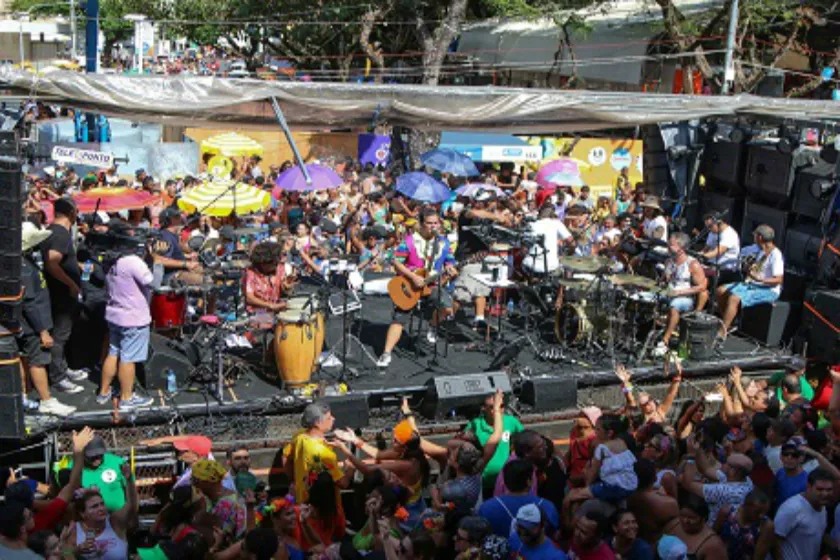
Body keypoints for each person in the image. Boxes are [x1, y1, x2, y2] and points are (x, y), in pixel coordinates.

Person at [376, 208, 458, 368]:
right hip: (409, 286)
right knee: (399, 318)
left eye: (436, 223)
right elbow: (396, 261)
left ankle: (433, 326)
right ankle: (386, 353)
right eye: (429, 223)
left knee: (449, 308)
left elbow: (450, 262)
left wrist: (451, 269)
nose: (433, 226)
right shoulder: (409, 241)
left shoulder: (443, 243)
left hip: (432, 285)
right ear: (421, 224)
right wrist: (413, 276)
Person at [18, 222, 75, 416]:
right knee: (38, 360)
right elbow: (30, 302)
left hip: (32, 323)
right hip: (34, 326)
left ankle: (25, 393)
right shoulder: (24, 268)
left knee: (27, 359)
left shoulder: (25, 262)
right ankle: (46, 400)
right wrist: (42, 331)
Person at [97, 223, 154, 411]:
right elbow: (151, 281)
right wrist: (152, 258)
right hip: (133, 318)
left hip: (114, 315)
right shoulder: (132, 261)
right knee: (128, 358)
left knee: (113, 353)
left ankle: (103, 392)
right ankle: (127, 398)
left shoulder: (110, 260)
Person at [40, 197, 88, 394]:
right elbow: (52, 261)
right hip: (60, 294)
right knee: (60, 335)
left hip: (60, 293)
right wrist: (70, 284)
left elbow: (62, 260)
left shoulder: (55, 231)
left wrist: (77, 267)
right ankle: (58, 377)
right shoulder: (60, 233)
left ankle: (63, 368)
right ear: (71, 212)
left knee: (63, 334)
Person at [453, 190, 509, 331]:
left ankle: (479, 319)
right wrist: (495, 216)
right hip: (468, 258)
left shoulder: (488, 217)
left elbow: (507, 223)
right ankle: (446, 317)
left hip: (483, 256)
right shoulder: (467, 212)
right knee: (462, 294)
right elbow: (474, 214)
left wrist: (503, 218)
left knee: (482, 290)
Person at [716, 224, 784, 338]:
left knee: (734, 297)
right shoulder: (759, 250)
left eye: (755, 235)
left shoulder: (776, 255)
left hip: (769, 289)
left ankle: (722, 331)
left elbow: (779, 279)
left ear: (760, 237)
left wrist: (760, 279)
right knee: (720, 290)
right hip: (752, 284)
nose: (754, 237)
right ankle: (730, 322)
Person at [61, 462, 137, 559]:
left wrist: (129, 480)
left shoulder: (114, 522)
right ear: (83, 514)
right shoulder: (75, 529)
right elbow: (65, 552)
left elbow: (132, 506)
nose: (101, 508)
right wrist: (77, 550)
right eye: (94, 506)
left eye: (102, 504)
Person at [283, 403, 353, 504]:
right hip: (325, 509)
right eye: (329, 418)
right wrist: (350, 469)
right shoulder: (325, 455)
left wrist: (294, 480)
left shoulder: (299, 436)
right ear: (318, 423)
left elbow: (285, 457)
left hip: (302, 504)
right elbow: (343, 483)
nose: (333, 419)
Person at [681, 435, 754, 527]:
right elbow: (707, 469)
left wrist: (691, 457)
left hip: (716, 529)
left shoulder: (726, 491)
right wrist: (698, 449)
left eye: (727, 464)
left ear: (733, 471)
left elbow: (688, 484)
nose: (723, 464)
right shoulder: (745, 480)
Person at [654, 232, 708, 356]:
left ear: (681, 248)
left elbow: (702, 286)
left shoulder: (692, 264)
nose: (667, 247)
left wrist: (679, 292)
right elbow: (664, 280)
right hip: (669, 292)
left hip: (685, 297)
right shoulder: (669, 261)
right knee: (647, 298)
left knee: (674, 306)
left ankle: (665, 340)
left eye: (670, 245)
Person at [478, 459, 560, 537]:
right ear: (528, 481)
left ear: (505, 482)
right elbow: (554, 536)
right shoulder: (547, 507)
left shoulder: (487, 508)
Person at [467, 392, 524, 496]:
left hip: (505, 483)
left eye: (501, 406)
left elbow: (524, 439)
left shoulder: (511, 422)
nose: (498, 410)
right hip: (483, 483)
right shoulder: (475, 425)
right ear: (483, 408)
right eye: (492, 407)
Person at [774, 468, 835, 560]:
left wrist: (836, 545)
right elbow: (773, 540)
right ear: (809, 486)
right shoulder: (792, 508)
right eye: (820, 489)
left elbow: (817, 532)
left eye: (829, 489)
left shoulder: (822, 506)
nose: (825, 493)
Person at [190, 459, 246, 544]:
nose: (193, 483)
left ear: (209, 482)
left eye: (196, 480)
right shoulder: (207, 496)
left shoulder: (226, 504)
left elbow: (217, 533)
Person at [626, 460, 679, 545]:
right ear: (655, 478)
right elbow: (677, 527)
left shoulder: (627, 498)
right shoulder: (668, 503)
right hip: (660, 546)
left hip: (635, 542)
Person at [662, 493, 727, 560]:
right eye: (682, 515)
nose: (685, 521)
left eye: (691, 518)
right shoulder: (673, 525)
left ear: (703, 518)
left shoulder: (714, 545)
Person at [715, 489, 775, 560]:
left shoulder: (765, 526)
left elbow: (758, 557)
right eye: (758, 512)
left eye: (764, 512)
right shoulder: (726, 513)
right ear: (746, 506)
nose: (761, 516)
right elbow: (714, 536)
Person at [152, 207, 203, 286]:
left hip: (180, 270)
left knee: (212, 273)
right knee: (205, 281)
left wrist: (189, 256)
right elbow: (159, 260)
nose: (180, 218)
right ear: (171, 220)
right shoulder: (163, 237)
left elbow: (174, 254)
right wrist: (185, 264)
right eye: (177, 216)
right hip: (171, 275)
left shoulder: (173, 235)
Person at [522, 205, 572, 275]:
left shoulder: (530, 225)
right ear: (553, 215)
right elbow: (571, 241)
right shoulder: (556, 223)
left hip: (531, 266)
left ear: (539, 213)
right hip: (551, 267)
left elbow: (524, 249)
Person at [699, 214, 741, 286]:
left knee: (700, 281)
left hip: (726, 270)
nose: (709, 229)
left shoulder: (729, 234)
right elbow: (705, 249)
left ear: (719, 223)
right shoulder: (712, 232)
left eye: (710, 226)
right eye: (707, 227)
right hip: (712, 266)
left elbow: (716, 252)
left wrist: (700, 257)